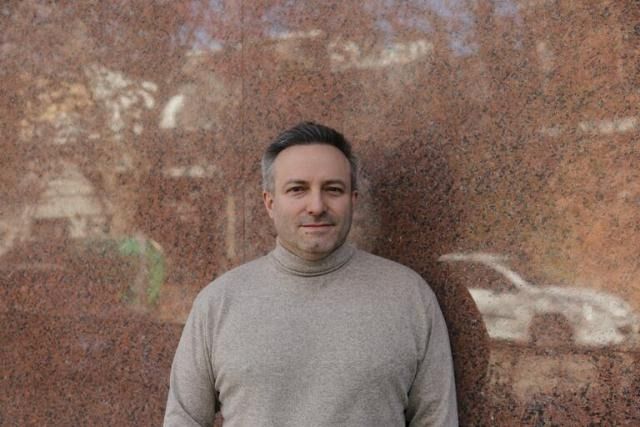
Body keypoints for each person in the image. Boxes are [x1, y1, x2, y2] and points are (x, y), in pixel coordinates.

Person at [164, 122, 458, 426]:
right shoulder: (218, 303)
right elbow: (184, 419)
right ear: (270, 203)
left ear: (353, 201)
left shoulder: (409, 298)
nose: (316, 206)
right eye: (297, 189)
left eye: (333, 190)